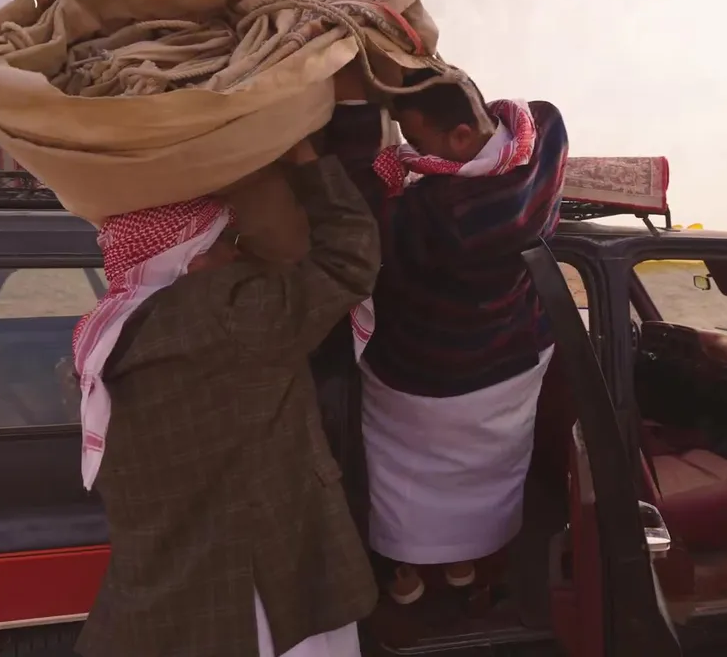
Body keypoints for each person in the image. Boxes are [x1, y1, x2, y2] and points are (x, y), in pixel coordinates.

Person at [70, 139, 381, 657]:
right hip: (271, 589)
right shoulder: (227, 313)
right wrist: (308, 163)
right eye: (222, 243)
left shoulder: (101, 338)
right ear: (187, 260)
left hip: (180, 607)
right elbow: (349, 260)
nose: (237, 253)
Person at [325, 67, 569, 604]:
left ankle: (404, 566)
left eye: (417, 139)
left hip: (425, 375)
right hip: (512, 358)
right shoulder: (547, 137)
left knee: (400, 477)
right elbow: (531, 115)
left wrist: (355, 109)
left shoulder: (442, 215)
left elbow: (358, 211)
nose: (411, 152)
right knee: (487, 475)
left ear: (460, 136)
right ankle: (464, 559)